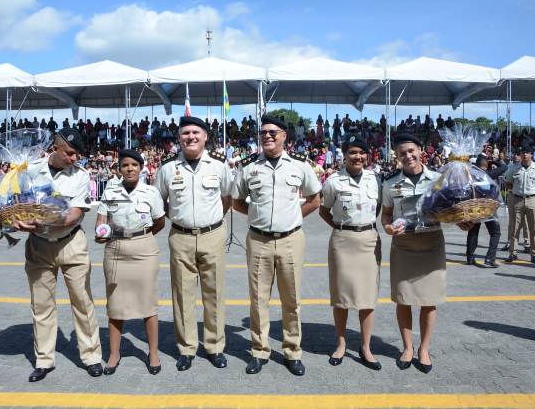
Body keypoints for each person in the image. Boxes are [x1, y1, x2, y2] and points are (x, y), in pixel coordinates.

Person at [232, 114, 321, 376]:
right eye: (263, 132)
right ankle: (259, 351)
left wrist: (292, 218)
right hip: (258, 240)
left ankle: (292, 351)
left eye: (273, 132)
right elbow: (237, 202)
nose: (267, 136)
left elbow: (314, 199)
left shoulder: (300, 166)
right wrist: (258, 217)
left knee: (291, 299)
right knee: (258, 300)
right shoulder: (249, 168)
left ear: (284, 136)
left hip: (291, 239)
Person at [12, 128, 103, 382]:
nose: (75, 159)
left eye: (78, 155)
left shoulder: (81, 176)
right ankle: (44, 360)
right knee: (41, 305)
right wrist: (17, 220)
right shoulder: (28, 170)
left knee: (82, 302)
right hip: (39, 246)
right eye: (70, 153)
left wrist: (43, 221)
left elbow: (75, 214)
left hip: (71, 243)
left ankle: (92, 356)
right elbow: (16, 203)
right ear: (56, 148)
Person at [381, 133, 471, 374]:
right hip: (404, 245)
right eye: (402, 153)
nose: (408, 156)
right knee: (403, 299)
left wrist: (462, 221)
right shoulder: (390, 183)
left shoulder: (439, 179)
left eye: (411, 151)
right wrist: (388, 228)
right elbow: (387, 214)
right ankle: (408, 347)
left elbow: (450, 210)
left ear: (421, 150)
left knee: (429, 300)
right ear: (397, 157)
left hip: (431, 243)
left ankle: (424, 349)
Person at [154, 116, 231, 372]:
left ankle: (215, 346)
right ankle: (187, 348)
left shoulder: (219, 167)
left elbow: (227, 198)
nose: (191, 137)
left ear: (206, 136)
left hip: (212, 235)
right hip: (181, 236)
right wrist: (181, 218)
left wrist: (212, 220)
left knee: (214, 293)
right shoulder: (167, 169)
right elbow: (159, 203)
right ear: (179, 137)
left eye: (196, 132)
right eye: (185, 133)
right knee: (183, 295)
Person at [95, 149, 166, 375]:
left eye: (134, 165)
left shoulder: (150, 192)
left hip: (144, 248)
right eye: (125, 165)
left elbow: (159, 221)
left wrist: (141, 237)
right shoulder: (110, 190)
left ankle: (153, 352)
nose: (129, 169)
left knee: (148, 303)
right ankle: (114, 354)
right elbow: (101, 220)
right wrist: (100, 232)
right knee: (115, 304)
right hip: (115, 249)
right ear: (119, 169)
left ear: (141, 168)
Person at [319, 135, 382, 370]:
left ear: (367, 156)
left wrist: (363, 225)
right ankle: (341, 344)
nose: (357, 156)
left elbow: (378, 209)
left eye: (361, 152)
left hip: (368, 240)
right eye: (353, 152)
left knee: (367, 297)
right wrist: (340, 226)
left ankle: (366, 347)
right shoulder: (333, 181)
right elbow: (324, 210)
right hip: (343, 240)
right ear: (344, 155)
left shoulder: (376, 179)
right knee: (342, 297)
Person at [503, 145, 535, 265]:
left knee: (534, 228)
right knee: (514, 228)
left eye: (527, 152)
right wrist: (517, 191)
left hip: (533, 199)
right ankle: (513, 253)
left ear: (531, 154)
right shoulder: (513, 168)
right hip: (517, 199)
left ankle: (534, 254)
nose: (524, 155)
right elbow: (508, 183)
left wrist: (534, 189)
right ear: (520, 155)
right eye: (522, 152)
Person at [466, 155, 507, 267]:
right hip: (488, 207)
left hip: (473, 206)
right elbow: (504, 167)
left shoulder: (469, 174)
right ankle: (490, 258)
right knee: (495, 233)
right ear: (486, 165)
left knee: (473, 232)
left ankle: (470, 258)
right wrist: (494, 161)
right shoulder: (488, 174)